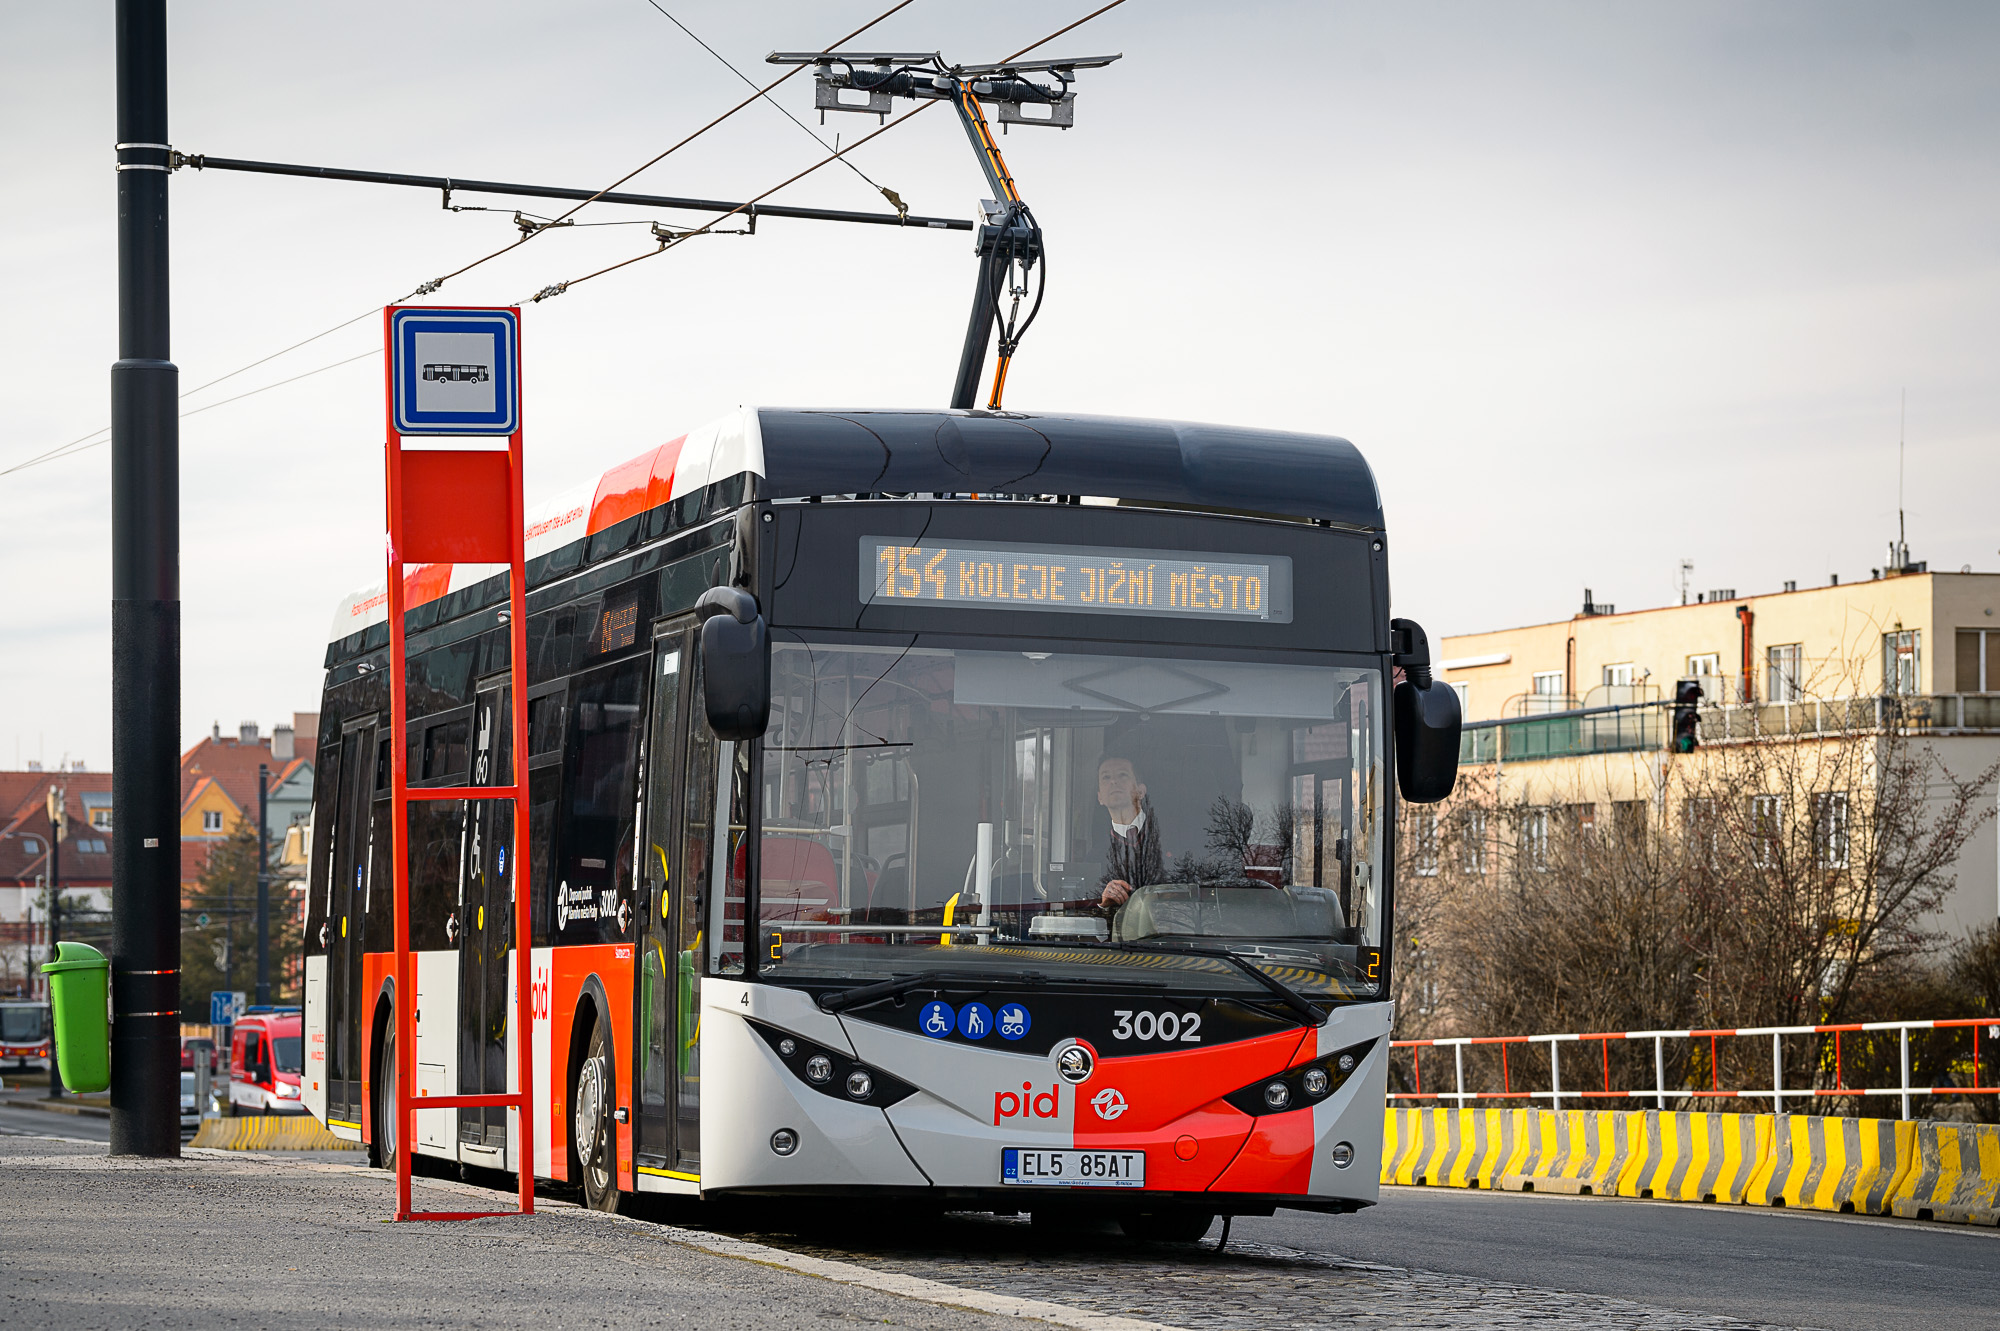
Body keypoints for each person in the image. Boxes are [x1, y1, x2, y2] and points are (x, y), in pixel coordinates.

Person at [1096, 753, 1163, 910]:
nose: (1113, 781)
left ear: (1141, 791)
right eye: (1106, 777)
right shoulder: (1095, 856)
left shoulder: (1171, 836)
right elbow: (1088, 911)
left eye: (1122, 775)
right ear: (1100, 797)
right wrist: (1104, 904)